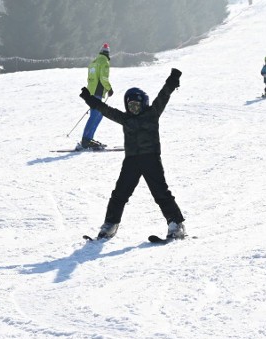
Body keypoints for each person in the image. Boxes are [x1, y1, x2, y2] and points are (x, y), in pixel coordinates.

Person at [78, 68, 186, 240]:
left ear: (143, 104)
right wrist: (89, 98)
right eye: (130, 106)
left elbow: (164, 95)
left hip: (151, 159)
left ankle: (176, 224)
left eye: (136, 105)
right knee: (119, 194)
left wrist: (173, 79)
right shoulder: (125, 118)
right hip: (131, 161)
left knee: (161, 193)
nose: (133, 109)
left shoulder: (152, 113)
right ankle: (110, 224)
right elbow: (104, 109)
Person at [79, 42, 113, 150]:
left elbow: (90, 78)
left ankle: (89, 138)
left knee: (99, 115)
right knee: (95, 115)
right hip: (98, 92)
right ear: (108, 53)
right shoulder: (104, 62)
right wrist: (109, 88)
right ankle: (86, 140)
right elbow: (103, 78)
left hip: (91, 92)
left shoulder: (94, 62)